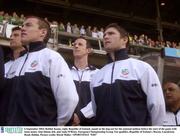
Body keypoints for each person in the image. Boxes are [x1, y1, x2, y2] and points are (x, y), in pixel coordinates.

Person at [0, 16, 79, 126]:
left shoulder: (52, 57)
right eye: (22, 25)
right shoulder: (16, 63)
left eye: (28, 25)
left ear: (43, 32)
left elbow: (69, 98)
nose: (23, 28)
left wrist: (56, 125)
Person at [90, 23, 165, 126]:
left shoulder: (142, 68)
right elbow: (95, 110)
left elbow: (157, 106)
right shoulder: (96, 76)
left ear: (124, 40)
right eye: (104, 35)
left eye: (111, 33)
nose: (106, 37)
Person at [71, 37, 99, 126]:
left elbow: (99, 98)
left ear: (88, 50)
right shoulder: (65, 72)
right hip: (67, 123)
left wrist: (80, 116)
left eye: (80, 44)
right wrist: (69, 117)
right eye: (74, 44)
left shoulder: (98, 73)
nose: (76, 46)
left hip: (90, 124)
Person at [0, 26, 25, 125]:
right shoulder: (4, 64)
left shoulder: (30, 63)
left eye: (15, 35)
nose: (11, 38)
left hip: (20, 119)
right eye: (11, 35)